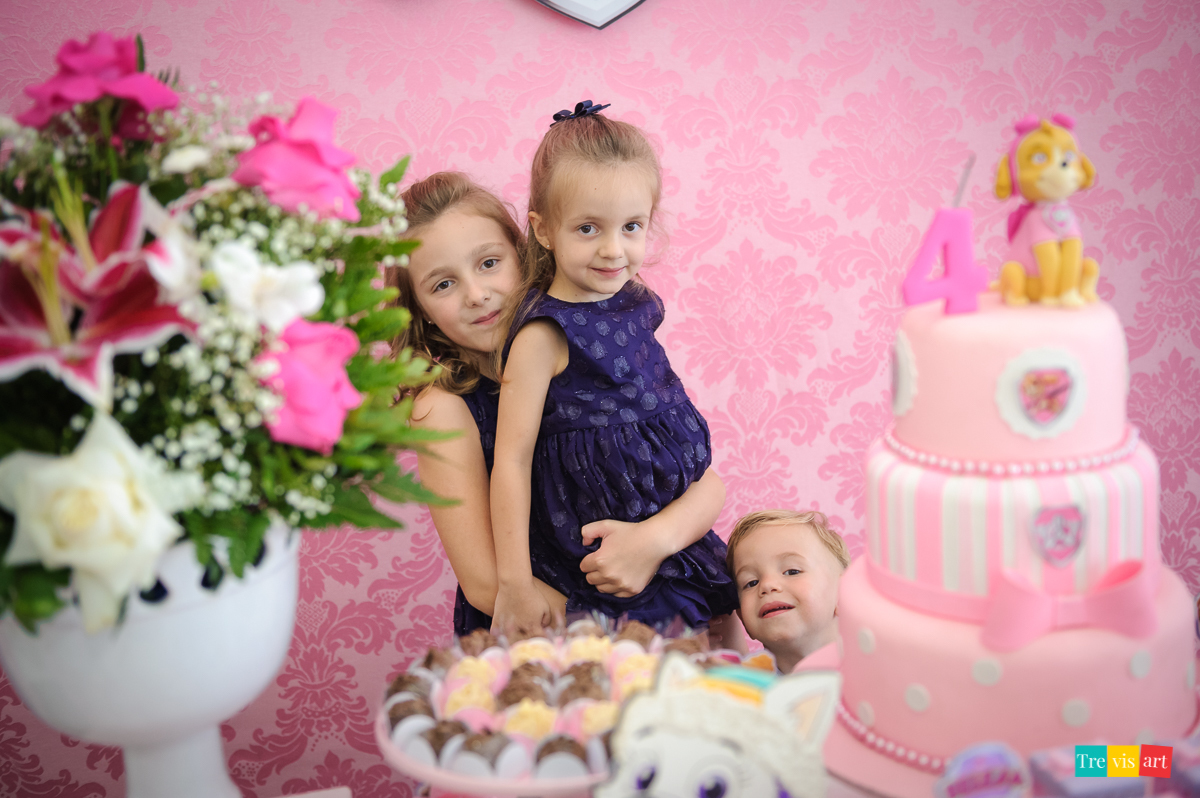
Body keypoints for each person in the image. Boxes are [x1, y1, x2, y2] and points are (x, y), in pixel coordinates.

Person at [387, 171, 730, 641]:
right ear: (419, 306)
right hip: (557, 634)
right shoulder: (444, 408)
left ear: (523, 252)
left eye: (489, 263)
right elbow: (486, 584)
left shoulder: (587, 344)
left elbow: (701, 481)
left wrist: (652, 543)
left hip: (659, 589)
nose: (476, 294)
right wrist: (617, 636)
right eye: (443, 285)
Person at [489, 102, 738, 638]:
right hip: (604, 576)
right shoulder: (544, 335)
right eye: (587, 228)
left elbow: (688, 456)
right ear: (545, 230)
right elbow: (510, 460)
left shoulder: (635, 306)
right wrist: (514, 584)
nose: (613, 249)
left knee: (723, 688)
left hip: (675, 547)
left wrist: (658, 539)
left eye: (631, 226)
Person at [725, 509, 850, 674]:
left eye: (792, 571)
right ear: (741, 615)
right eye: (751, 582)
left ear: (844, 594)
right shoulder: (741, 691)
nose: (767, 585)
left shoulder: (881, 668)